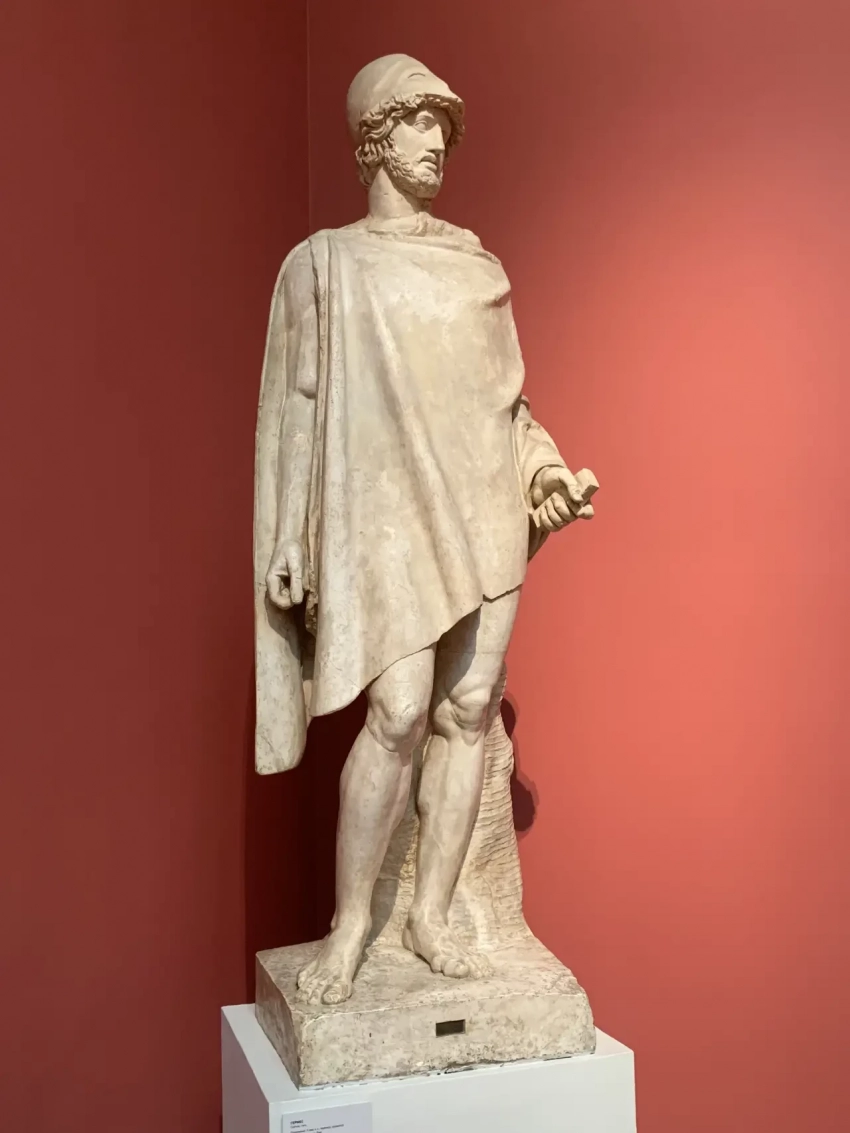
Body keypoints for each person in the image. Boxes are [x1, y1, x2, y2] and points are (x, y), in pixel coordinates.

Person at [253, 55, 596, 1006]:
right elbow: (300, 406)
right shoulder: (326, 264)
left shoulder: (477, 267)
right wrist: (291, 534)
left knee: (468, 709)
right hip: (389, 517)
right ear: (374, 138)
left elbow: (509, 409)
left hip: (483, 505)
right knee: (398, 712)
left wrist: (545, 474)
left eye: (443, 125)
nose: (437, 140)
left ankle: (431, 916)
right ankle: (349, 923)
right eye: (416, 121)